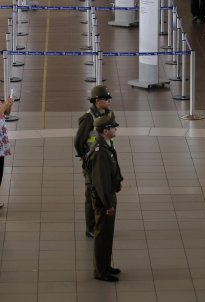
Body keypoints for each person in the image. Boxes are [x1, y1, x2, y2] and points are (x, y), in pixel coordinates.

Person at [86, 113, 124, 282]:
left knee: (107, 235)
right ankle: (101, 271)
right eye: (113, 127)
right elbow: (101, 182)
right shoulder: (100, 152)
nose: (115, 129)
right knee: (102, 235)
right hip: (104, 200)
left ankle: (105, 266)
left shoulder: (106, 144)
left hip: (108, 195)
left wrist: (118, 181)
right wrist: (108, 204)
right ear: (105, 131)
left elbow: (112, 169)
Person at [74, 85, 112, 237]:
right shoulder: (89, 118)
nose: (109, 101)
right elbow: (78, 141)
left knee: (101, 192)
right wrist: (85, 156)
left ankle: (99, 224)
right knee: (91, 194)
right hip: (92, 161)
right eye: (106, 99)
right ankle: (91, 227)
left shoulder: (106, 114)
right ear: (97, 101)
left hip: (102, 160)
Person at [0, 95, 11, 209]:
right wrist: (5, 106)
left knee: (0, 173)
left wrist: (8, 106)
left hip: (1, 143)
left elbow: (4, 113)